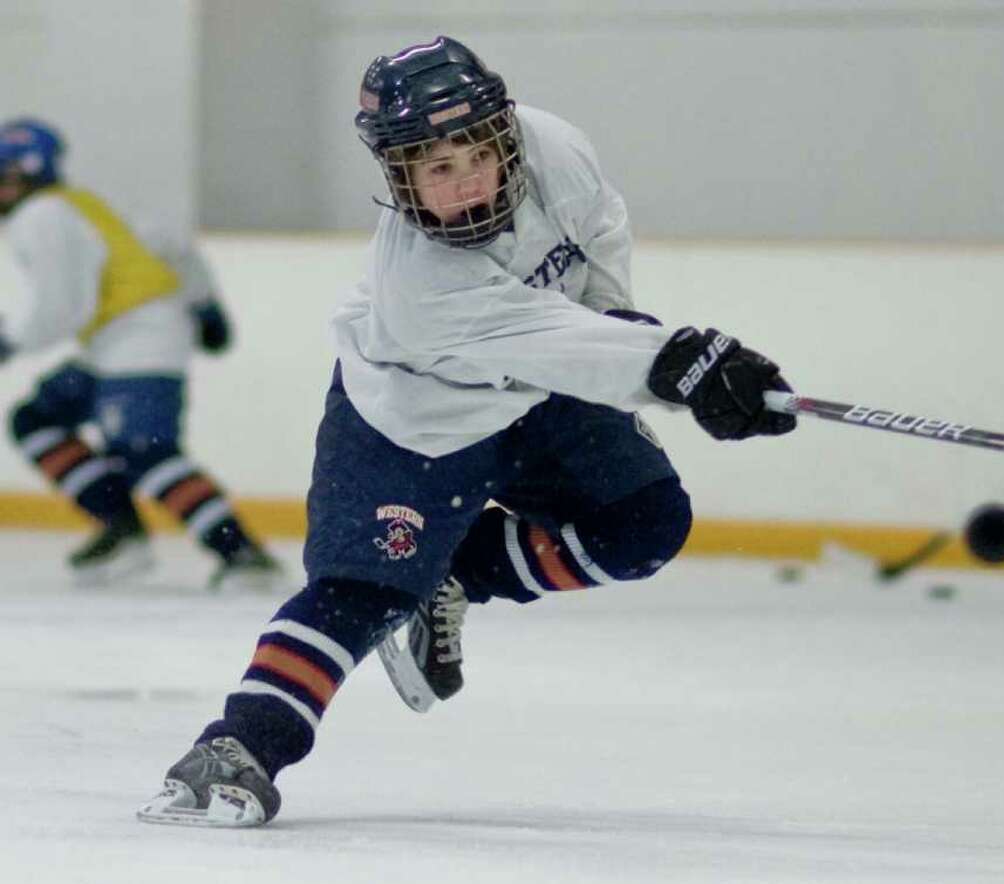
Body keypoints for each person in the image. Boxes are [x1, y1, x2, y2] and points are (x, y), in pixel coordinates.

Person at [137, 37, 796, 828]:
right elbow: (546, 336)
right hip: (415, 421)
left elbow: (600, 239)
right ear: (397, 175)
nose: (465, 184)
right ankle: (241, 744)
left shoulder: (556, 148)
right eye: (435, 169)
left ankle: (459, 577)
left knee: (644, 523)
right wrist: (667, 363)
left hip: (541, 393)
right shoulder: (421, 286)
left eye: (475, 155)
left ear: (506, 135)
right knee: (366, 592)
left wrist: (632, 327)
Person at [0, 117, 282, 590]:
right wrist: (203, 303)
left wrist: (11, 340)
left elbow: (63, 307)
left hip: (139, 341)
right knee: (35, 419)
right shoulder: (81, 203)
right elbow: (169, 244)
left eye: (10, 179)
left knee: (144, 451)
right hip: (120, 342)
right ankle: (121, 529)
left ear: (34, 175)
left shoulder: (39, 217)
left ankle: (240, 552)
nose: (5, 190)